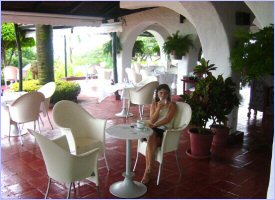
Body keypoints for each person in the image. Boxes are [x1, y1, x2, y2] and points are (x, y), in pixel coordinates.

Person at [141, 84, 177, 184]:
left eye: (166, 93)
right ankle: (148, 171)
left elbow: (167, 119)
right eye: (161, 92)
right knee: (152, 137)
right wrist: (158, 109)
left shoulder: (172, 105)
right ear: (157, 94)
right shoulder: (154, 104)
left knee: (151, 138)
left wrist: (156, 124)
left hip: (165, 132)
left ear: (168, 94)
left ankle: (147, 172)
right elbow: (152, 119)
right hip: (154, 130)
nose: (163, 95)